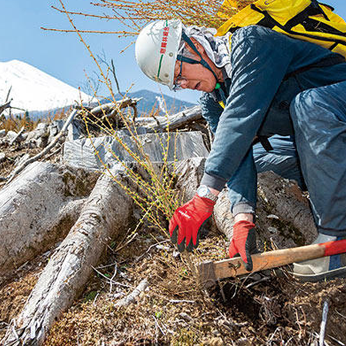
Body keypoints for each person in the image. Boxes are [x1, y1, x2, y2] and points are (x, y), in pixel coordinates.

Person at [135, 18, 346, 281]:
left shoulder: (251, 43)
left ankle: (338, 236)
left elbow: (241, 116)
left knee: (308, 104)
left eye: (179, 73)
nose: (184, 84)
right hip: (329, 137)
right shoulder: (213, 102)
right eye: (176, 84)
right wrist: (242, 219)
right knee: (260, 161)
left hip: (337, 104)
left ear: (194, 48)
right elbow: (236, 155)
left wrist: (204, 198)